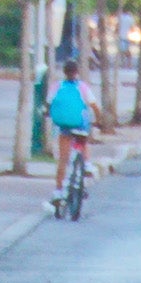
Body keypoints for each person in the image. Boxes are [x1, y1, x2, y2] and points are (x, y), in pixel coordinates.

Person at [47, 60, 93, 209]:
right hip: (79, 125)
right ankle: (86, 164)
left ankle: (58, 191)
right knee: (83, 141)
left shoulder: (57, 86)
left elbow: (48, 104)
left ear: (64, 72)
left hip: (64, 126)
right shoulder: (82, 87)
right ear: (77, 72)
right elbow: (94, 104)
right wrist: (98, 120)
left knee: (63, 159)